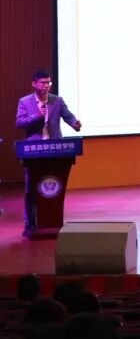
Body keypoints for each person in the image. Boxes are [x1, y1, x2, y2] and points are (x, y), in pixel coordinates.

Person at [15, 71, 81, 238]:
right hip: (34, 151)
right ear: (34, 84)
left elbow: (67, 116)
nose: (46, 85)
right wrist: (36, 116)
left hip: (55, 150)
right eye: (43, 82)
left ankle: (53, 222)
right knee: (31, 190)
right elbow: (19, 122)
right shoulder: (25, 101)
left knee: (56, 184)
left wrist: (75, 123)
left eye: (48, 83)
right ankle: (30, 224)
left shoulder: (57, 100)